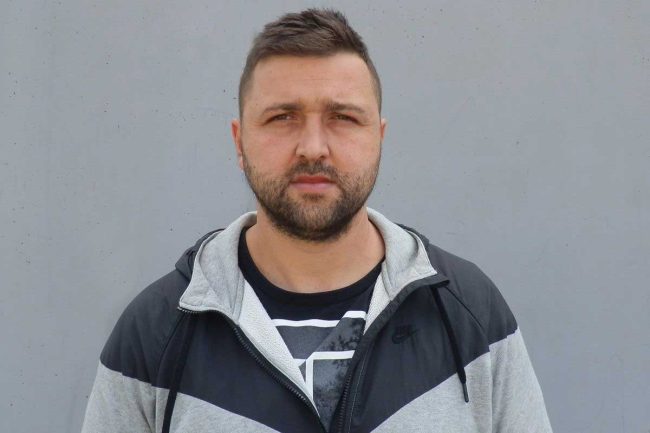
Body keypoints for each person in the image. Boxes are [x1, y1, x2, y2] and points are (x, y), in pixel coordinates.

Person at [82, 8, 552, 433]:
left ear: (379, 137)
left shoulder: (470, 315)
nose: (312, 147)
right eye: (282, 117)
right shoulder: (156, 334)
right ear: (239, 141)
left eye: (342, 117)